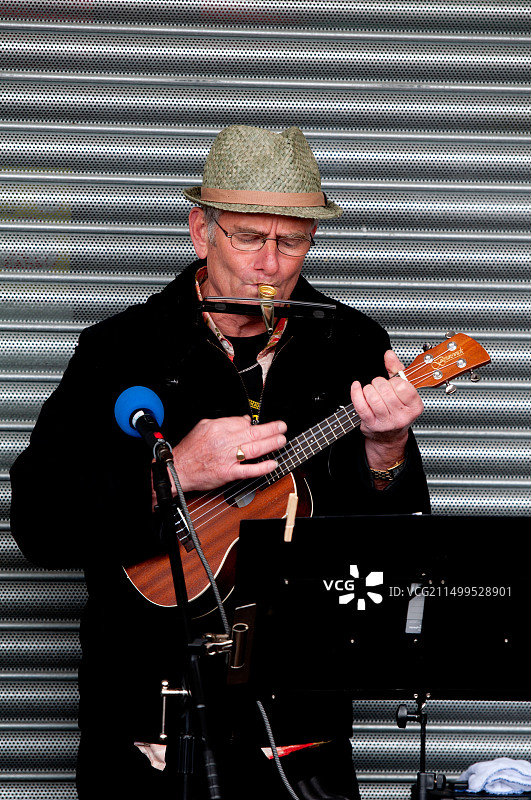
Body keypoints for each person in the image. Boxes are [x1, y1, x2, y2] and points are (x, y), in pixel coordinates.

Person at [9, 125, 430, 799]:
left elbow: (395, 543)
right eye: (247, 237)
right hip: (147, 719)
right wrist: (173, 473)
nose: (268, 264)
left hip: (301, 723)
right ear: (200, 231)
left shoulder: (350, 344)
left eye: (289, 240)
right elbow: (38, 520)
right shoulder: (122, 349)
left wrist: (386, 450)